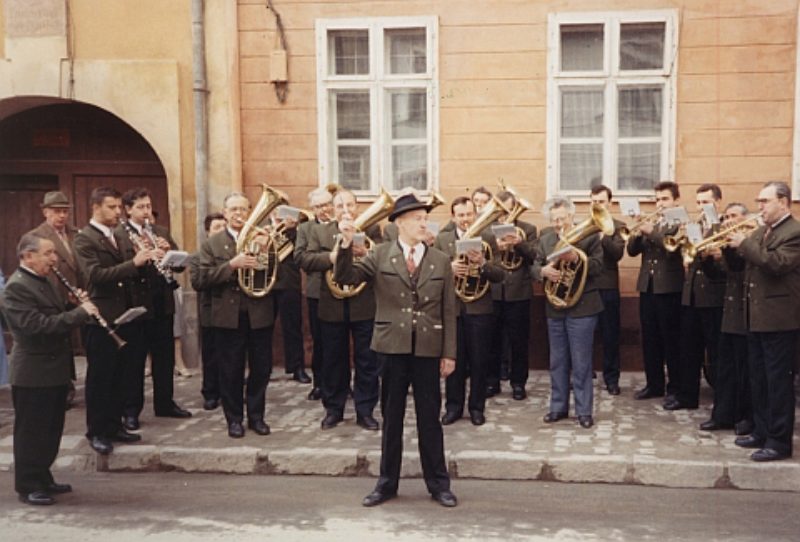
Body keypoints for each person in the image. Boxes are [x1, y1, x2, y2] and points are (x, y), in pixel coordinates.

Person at [334, 192, 458, 508]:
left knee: (430, 418)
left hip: (428, 348)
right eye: (416, 218)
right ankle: (386, 484)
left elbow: (448, 310)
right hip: (391, 348)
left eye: (424, 217)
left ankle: (439, 485)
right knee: (392, 417)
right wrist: (346, 244)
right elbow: (346, 278)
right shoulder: (380, 256)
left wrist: (450, 353)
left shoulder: (440, 259)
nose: (423, 222)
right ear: (400, 223)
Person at [2, 233, 98, 505]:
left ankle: (43, 477)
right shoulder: (17, 287)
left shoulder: (44, 281)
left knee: (51, 428)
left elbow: (54, 312)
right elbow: (36, 327)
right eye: (48, 253)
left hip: (54, 369)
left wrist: (74, 304)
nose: (54, 259)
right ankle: (28, 485)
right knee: (32, 431)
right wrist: (80, 314)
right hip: (34, 372)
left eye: (54, 253)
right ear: (27, 256)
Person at [297, 188, 382, 431]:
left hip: (364, 303)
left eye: (350, 206)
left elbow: (384, 258)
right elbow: (304, 260)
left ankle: (365, 411)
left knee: (367, 360)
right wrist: (333, 257)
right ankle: (333, 409)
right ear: (333, 210)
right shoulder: (319, 231)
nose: (345, 211)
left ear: (357, 207)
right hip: (332, 304)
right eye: (339, 207)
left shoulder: (372, 229)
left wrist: (366, 252)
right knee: (333, 360)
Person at [74, 186, 150, 455]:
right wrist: (135, 263)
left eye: (119, 207)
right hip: (101, 318)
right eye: (112, 207)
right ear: (96, 207)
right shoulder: (85, 239)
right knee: (100, 378)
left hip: (124, 316)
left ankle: (115, 425)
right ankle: (97, 431)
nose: (118, 212)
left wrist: (150, 255)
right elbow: (95, 275)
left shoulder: (119, 234)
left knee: (121, 375)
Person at [728, 180, 800, 461]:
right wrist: (727, 248)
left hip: (780, 319)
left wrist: (744, 244)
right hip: (755, 317)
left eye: (765, 201)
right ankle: (760, 430)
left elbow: (777, 264)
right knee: (758, 380)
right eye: (758, 201)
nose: (759, 207)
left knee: (778, 383)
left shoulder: (794, 232)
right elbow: (741, 266)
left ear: (783, 202)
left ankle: (779, 442)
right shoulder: (762, 231)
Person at [193, 192, 275, 439]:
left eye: (243, 209)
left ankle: (257, 417)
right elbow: (199, 279)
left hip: (259, 313)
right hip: (228, 316)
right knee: (230, 370)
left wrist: (266, 256)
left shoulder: (262, 238)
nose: (239, 214)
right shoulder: (212, 244)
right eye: (233, 210)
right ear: (225, 213)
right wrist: (232, 265)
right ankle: (234, 419)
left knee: (261, 368)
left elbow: (275, 277)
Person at [117, 188, 191, 430]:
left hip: (162, 302)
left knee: (164, 357)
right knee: (135, 360)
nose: (146, 211)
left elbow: (179, 266)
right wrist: (140, 258)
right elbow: (122, 268)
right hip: (137, 304)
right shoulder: (121, 234)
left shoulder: (160, 231)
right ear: (128, 209)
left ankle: (165, 403)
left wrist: (168, 252)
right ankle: (131, 410)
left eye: (148, 206)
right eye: (141, 207)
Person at [532, 197, 604, 428]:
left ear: (572, 217)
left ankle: (584, 411)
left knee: (582, 362)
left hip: (583, 306)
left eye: (562, 218)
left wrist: (577, 259)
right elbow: (534, 266)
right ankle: (558, 407)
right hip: (555, 307)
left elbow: (599, 267)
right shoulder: (545, 239)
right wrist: (543, 271)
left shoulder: (590, 236)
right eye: (554, 220)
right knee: (558, 360)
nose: (558, 223)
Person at [435, 196, 503, 426]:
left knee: (479, 360)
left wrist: (482, 263)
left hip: (479, 308)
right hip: (452, 308)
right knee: (454, 359)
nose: (466, 219)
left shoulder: (488, 238)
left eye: (469, 214)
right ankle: (453, 407)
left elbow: (500, 275)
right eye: (461, 215)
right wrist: (449, 268)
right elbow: (432, 273)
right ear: (453, 217)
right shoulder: (442, 240)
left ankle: (477, 407)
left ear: (476, 214)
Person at [665, 184, 726, 411]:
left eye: (706, 202)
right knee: (689, 350)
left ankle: (723, 402)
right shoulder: (694, 227)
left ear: (717, 202)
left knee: (716, 353)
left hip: (713, 299)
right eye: (698, 202)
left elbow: (724, 267)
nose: (701, 207)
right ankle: (687, 397)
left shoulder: (723, 227)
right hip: (691, 297)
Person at [626, 181, 685, 402]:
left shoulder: (680, 221)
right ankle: (654, 384)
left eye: (665, 199)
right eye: (657, 199)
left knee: (671, 339)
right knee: (650, 338)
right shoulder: (652, 221)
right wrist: (638, 233)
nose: (660, 203)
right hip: (647, 286)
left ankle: (675, 386)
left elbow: (674, 249)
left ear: (675, 200)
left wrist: (651, 232)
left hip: (669, 287)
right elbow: (632, 251)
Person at [699, 203, 752, 434]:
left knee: (744, 371)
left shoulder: (751, 241)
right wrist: (708, 258)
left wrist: (729, 250)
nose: (729, 221)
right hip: (729, 314)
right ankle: (722, 415)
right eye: (726, 216)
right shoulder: (731, 243)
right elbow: (718, 275)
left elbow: (742, 269)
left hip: (747, 314)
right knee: (724, 369)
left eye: (734, 216)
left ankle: (744, 417)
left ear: (745, 218)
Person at [28, 191, 83, 406]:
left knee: (73, 341)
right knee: (59, 342)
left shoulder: (75, 233)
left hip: (75, 295)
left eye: (64, 212)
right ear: (45, 212)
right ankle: (63, 386)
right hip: (52, 296)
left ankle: (68, 384)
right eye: (56, 212)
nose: (61, 216)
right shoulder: (36, 237)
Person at [487, 189, 537, 400]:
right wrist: (496, 246)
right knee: (492, 340)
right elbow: (484, 255)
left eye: (508, 210)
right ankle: (492, 381)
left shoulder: (528, 229)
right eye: (501, 211)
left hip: (519, 291)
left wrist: (519, 243)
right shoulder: (488, 230)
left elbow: (535, 256)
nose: (504, 215)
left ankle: (518, 383)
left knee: (519, 341)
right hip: (494, 292)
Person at [294, 188, 334, 401]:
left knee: (340, 341)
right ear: (312, 209)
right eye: (319, 206)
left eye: (327, 204)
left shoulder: (343, 224)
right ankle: (320, 383)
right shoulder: (305, 228)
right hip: (317, 291)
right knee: (319, 340)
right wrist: (330, 258)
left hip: (344, 291)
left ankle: (341, 384)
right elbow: (301, 258)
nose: (324, 209)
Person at [589, 185, 625, 395]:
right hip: (587, 287)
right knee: (584, 336)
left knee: (610, 335)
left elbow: (618, 254)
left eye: (601, 201)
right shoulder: (585, 224)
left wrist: (603, 236)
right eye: (594, 201)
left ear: (609, 203)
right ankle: (583, 375)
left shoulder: (618, 226)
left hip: (608, 288)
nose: (598, 204)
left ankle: (611, 378)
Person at [190, 212, 226, 410]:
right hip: (211, 312)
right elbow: (198, 282)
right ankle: (210, 392)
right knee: (211, 354)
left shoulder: (233, 251)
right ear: (207, 232)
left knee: (230, 355)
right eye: (216, 228)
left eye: (223, 226)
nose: (220, 231)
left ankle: (229, 390)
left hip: (231, 312)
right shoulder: (197, 256)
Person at [270, 211, 311, 384]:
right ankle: (262, 367)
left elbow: (299, 253)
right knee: (261, 330)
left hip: (289, 284)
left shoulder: (296, 231)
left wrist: (292, 231)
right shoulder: (262, 229)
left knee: (293, 327)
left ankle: (297, 367)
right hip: (266, 284)